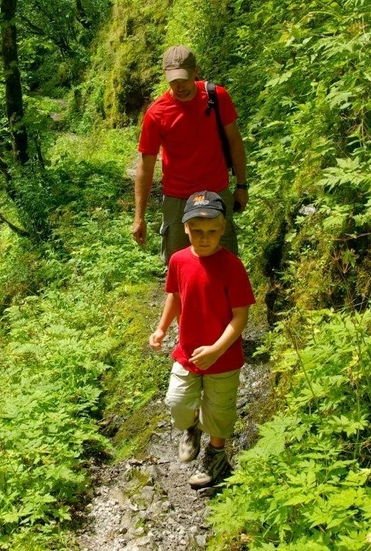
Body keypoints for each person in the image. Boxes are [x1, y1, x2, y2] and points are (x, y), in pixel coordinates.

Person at [149, 191, 255, 489]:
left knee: (219, 410)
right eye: (197, 231)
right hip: (187, 351)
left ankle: (216, 455)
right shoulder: (179, 260)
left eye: (211, 231)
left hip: (225, 356)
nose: (204, 237)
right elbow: (175, 295)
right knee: (176, 402)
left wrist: (218, 349)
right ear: (185, 228)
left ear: (223, 229)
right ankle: (192, 428)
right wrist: (161, 328)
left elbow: (240, 317)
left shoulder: (232, 266)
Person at [131, 45, 249, 262]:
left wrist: (241, 185)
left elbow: (235, 141)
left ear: (196, 71)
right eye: (173, 80)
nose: (179, 86)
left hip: (216, 190)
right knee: (179, 266)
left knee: (224, 262)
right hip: (177, 197)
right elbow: (145, 167)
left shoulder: (217, 97)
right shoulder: (157, 113)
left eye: (184, 79)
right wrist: (139, 217)